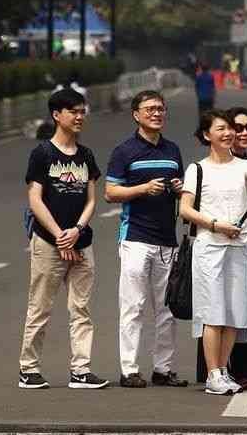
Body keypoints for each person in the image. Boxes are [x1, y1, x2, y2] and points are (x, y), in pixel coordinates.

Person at [180, 111, 247, 395]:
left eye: (230, 129)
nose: (228, 133)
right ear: (207, 135)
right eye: (220, 129)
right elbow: (185, 209)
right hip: (209, 247)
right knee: (214, 313)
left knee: (235, 313)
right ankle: (212, 374)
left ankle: (223, 371)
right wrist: (215, 225)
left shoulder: (243, 167)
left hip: (239, 248)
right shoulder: (196, 170)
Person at [19, 89, 108, 390]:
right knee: (40, 307)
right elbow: (35, 199)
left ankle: (81, 370)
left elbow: (91, 201)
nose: (80, 116)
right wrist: (60, 236)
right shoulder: (43, 153)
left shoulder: (86, 155)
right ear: (57, 115)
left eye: (82, 111)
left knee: (81, 309)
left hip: (81, 242)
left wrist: (78, 231)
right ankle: (28, 369)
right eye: (73, 111)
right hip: (48, 242)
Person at [104, 90, 189, 389]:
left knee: (167, 309)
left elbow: (181, 191)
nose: (157, 113)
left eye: (161, 109)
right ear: (136, 114)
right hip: (136, 239)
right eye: (150, 109)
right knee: (133, 306)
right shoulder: (124, 151)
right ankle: (129, 369)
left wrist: (178, 188)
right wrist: (142, 189)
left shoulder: (172, 150)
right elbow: (110, 193)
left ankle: (163, 369)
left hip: (167, 240)